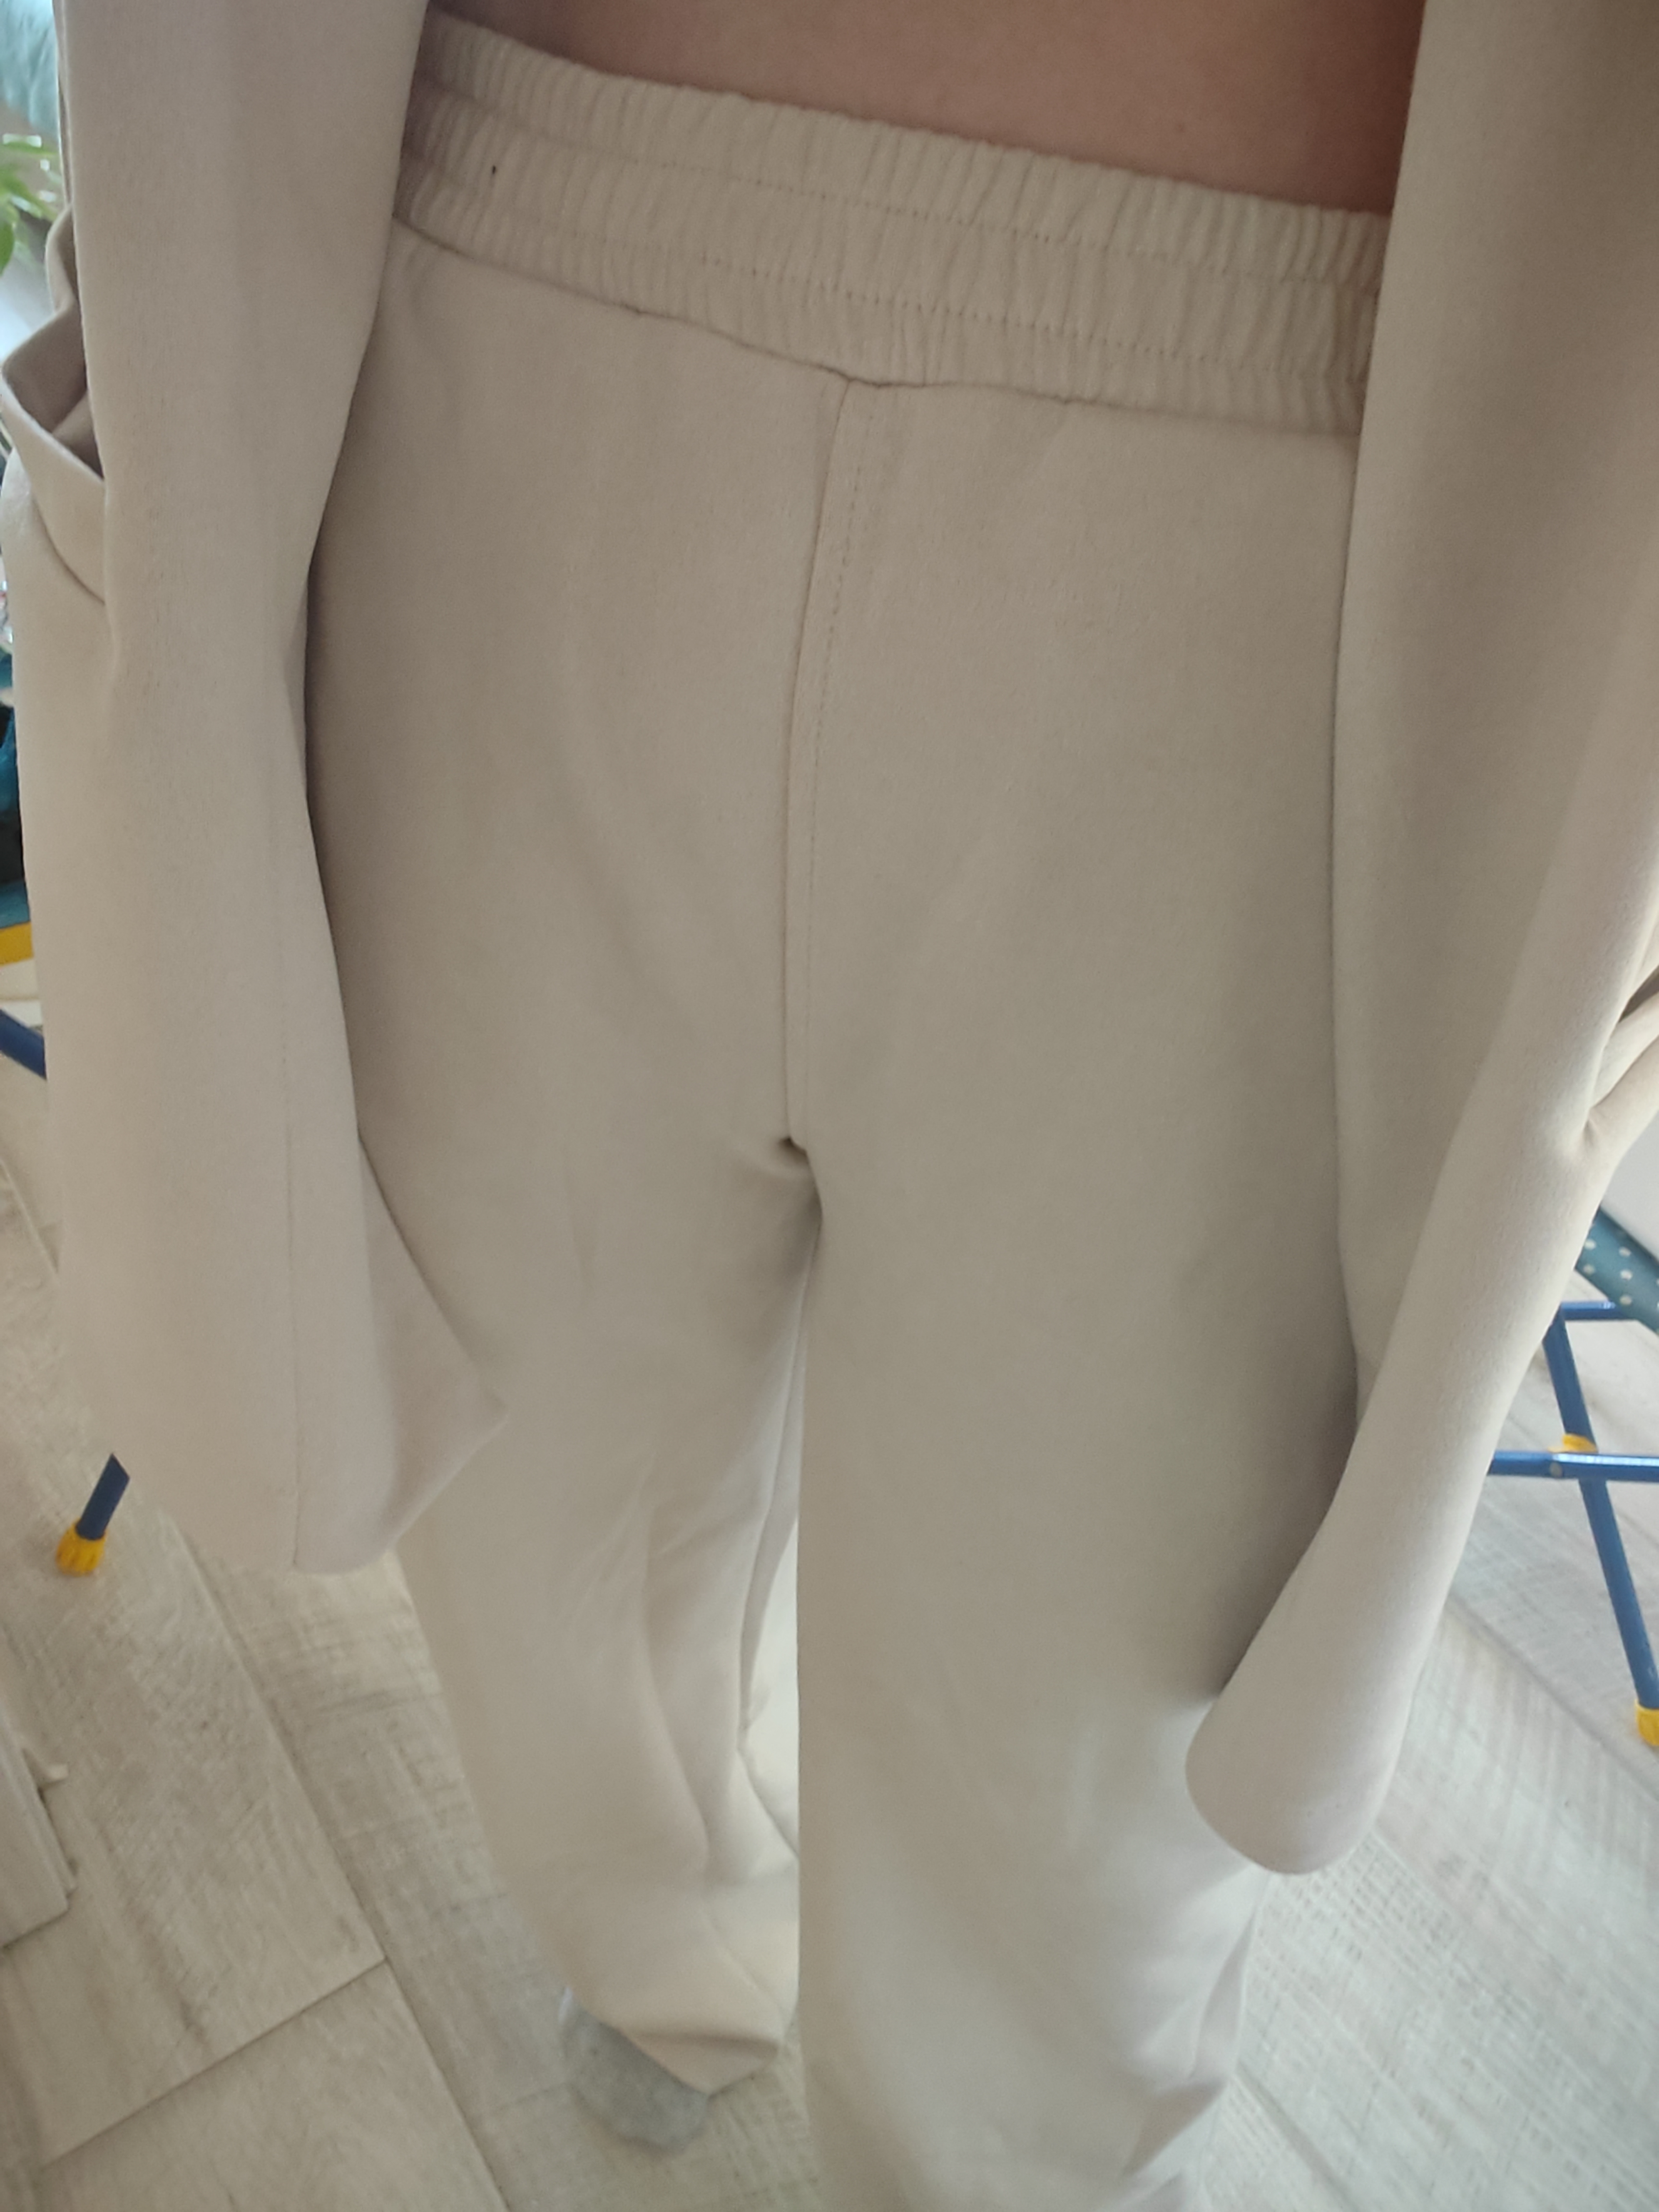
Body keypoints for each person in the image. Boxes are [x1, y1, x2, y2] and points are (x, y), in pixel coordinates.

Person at [5, 4, 1659, 2208]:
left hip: (1301, 425)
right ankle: (665, 1943)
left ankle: (989, 2166)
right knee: (544, 1518)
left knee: (1090, 1722)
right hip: (501, 291)